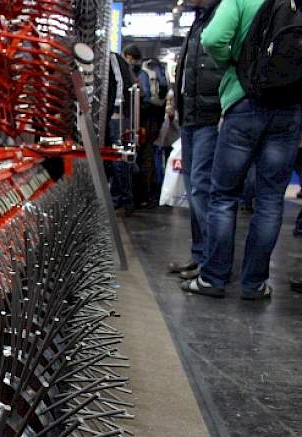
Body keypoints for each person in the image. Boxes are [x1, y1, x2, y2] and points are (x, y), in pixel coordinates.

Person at [182, 0, 302, 299]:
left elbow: (212, 38)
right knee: (271, 201)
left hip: (244, 102)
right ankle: (254, 284)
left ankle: (213, 279)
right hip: (289, 108)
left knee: (223, 196)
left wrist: (237, 61)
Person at [167, 0, 224, 280]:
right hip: (191, 116)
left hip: (210, 117)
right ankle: (200, 255)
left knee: (203, 189)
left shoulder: (222, 14)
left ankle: (212, 265)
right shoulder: (200, 19)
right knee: (194, 189)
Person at [124, 44, 169, 208]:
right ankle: (148, 194)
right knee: (148, 156)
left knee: (137, 155)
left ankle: (138, 195)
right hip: (152, 120)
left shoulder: (138, 72)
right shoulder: (151, 71)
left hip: (140, 120)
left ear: (129, 56)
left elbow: (140, 96)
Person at [105, 51, 136, 214]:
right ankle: (119, 199)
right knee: (117, 159)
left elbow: (120, 88)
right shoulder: (113, 59)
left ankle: (124, 200)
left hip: (117, 115)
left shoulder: (111, 59)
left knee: (119, 160)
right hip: (116, 115)